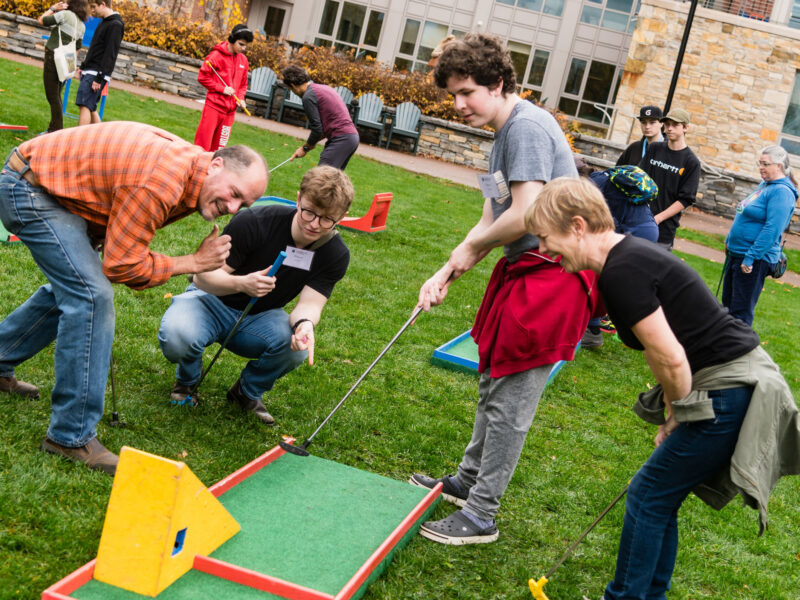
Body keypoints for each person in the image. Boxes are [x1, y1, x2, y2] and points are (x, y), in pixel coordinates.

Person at [526, 177, 799, 600]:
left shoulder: (622, 270)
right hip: (728, 382)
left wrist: (677, 416)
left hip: (732, 388)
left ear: (577, 226)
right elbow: (665, 352)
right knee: (658, 496)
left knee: (648, 496)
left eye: (546, 238)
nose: (544, 250)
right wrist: (676, 414)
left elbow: (670, 357)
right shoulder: (625, 259)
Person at [408, 33, 602, 545]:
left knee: (511, 401)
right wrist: (450, 266)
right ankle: (467, 482)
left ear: (497, 84)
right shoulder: (504, 132)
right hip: (525, 272)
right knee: (492, 381)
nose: (458, 104)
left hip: (553, 277)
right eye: (452, 94)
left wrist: (471, 252)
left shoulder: (528, 128)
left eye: (467, 92)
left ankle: (482, 513)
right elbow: (493, 212)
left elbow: (526, 214)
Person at [0, 122, 267, 475]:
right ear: (215, 164)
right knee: (91, 296)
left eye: (243, 204)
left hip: (58, 190)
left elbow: (121, 237)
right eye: (234, 193)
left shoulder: (193, 178)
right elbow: (122, 264)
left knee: (77, 286)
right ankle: (70, 436)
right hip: (28, 188)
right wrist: (193, 263)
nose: (233, 207)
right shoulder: (161, 180)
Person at [158, 166, 353, 425]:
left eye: (327, 219)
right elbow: (203, 278)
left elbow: (309, 304)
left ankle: (246, 392)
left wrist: (305, 325)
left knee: (297, 348)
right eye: (308, 212)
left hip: (259, 316)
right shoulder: (256, 222)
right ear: (298, 199)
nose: (315, 224)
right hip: (209, 301)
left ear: (343, 216)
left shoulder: (335, 253)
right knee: (178, 335)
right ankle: (187, 380)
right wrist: (242, 284)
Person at [580, 165, 659, 348]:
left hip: (635, 233)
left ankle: (598, 330)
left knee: (609, 279)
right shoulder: (605, 180)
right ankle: (594, 329)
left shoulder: (594, 184)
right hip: (645, 230)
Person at [722, 145, 798, 325]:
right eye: (760, 163)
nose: (761, 167)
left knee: (740, 313)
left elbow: (772, 229)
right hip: (737, 253)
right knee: (727, 307)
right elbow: (744, 213)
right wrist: (729, 240)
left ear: (779, 166)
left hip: (754, 260)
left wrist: (750, 258)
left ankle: (739, 350)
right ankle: (723, 349)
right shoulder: (765, 184)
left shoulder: (782, 192)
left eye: (765, 164)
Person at [638, 108, 700, 249]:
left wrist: (658, 218)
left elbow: (686, 199)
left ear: (686, 127)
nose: (669, 128)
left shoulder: (691, 162)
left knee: (652, 269)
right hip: (639, 219)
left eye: (675, 125)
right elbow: (639, 176)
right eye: (667, 124)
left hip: (663, 229)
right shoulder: (654, 149)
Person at [282, 65, 360, 170]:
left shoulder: (308, 97)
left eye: (290, 89)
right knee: (333, 181)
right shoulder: (323, 88)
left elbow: (317, 129)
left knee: (320, 180)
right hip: (352, 138)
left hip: (341, 139)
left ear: (293, 85)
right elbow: (323, 129)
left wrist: (305, 148)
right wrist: (306, 148)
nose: (294, 93)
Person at [194, 24, 253, 152]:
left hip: (230, 113)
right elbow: (202, 77)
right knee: (202, 146)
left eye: (246, 45)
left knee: (219, 150)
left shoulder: (244, 60)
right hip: (213, 107)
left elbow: (243, 84)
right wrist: (221, 89)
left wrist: (241, 98)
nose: (244, 48)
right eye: (241, 44)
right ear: (232, 39)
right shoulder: (215, 56)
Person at [38, 0, 89, 133]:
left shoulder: (65, 15)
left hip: (53, 57)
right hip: (66, 62)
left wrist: (53, 8)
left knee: (52, 96)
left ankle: (56, 131)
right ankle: (52, 129)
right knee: (57, 95)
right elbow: (77, 49)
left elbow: (42, 20)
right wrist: (70, 67)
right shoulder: (82, 26)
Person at [75, 0, 124, 126]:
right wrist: (83, 66)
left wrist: (99, 77)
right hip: (90, 70)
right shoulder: (104, 22)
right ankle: (101, 141)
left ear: (103, 4)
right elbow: (95, 49)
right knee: (91, 107)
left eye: (94, 7)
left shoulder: (115, 25)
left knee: (85, 104)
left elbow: (110, 55)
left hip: (96, 73)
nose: (92, 10)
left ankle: (79, 142)